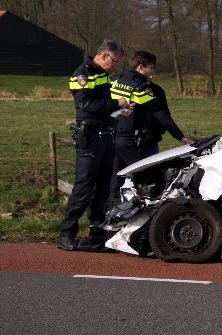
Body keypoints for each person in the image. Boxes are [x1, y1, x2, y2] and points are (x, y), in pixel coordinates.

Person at [58, 39, 129, 252]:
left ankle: (96, 236)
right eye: (115, 61)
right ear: (105, 56)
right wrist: (116, 103)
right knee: (84, 187)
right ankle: (66, 234)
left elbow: (100, 107)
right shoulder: (83, 74)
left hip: (105, 135)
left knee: (104, 189)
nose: (116, 66)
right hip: (89, 138)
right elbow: (85, 105)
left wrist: (118, 112)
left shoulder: (102, 74)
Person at [108, 51, 192, 202]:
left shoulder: (115, 80)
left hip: (114, 137)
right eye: (151, 68)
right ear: (141, 67)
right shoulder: (139, 87)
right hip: (130, 139)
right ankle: (148, 210)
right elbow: (161, 115)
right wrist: (181, 137)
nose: (153, 71)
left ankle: (112, 212)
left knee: (115, 178)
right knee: (150, 175)